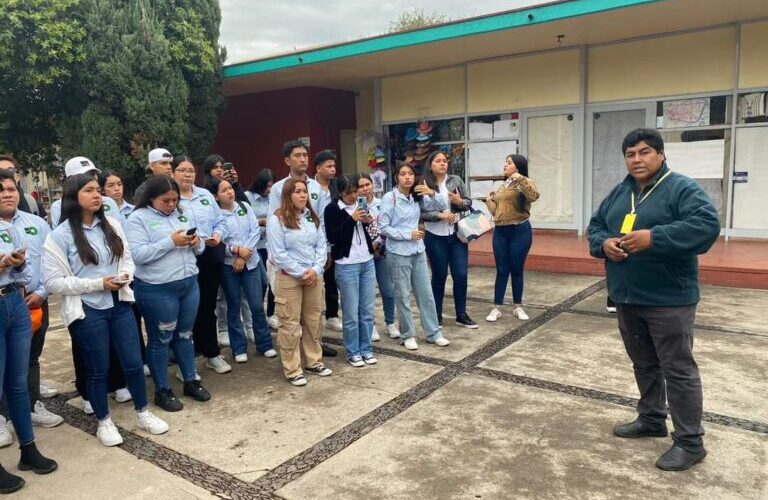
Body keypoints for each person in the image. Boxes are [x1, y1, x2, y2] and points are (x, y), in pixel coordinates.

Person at [587, 128, 720, 471]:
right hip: (627, 295)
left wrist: (654, 238)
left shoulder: (681, 188)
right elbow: (597, 225)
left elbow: (706, 226)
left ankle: (690, 442)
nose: (637, 159)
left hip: (668, 298)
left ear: (660, 155)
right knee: (643, 362)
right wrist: (604, 245)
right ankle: (651, 418)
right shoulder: (621, 192)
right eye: (630, 154)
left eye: (644, 152)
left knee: (678, 369)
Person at [42, 173, 169, 446]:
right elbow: (52, 281)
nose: (97, 195)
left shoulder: (111, 224)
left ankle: (143, 413)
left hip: (119, 303)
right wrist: (97, 283)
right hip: (88, 310)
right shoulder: (60, 235)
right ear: (73, 197)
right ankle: (104, 421)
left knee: (134, 364)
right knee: (97, 369)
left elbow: (127, 257)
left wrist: (124, 275)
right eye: (89, 190)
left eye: (98, 190)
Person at [125, 176, 211, 412]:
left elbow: (201, 247)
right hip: (157, 287)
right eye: (166, 201)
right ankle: (162, 389)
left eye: (175, 200)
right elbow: (137, 255)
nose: (172, 204)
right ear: (152, 198)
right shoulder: (138, 219)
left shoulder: (182, 213)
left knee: (185, 334)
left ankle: (191, 380)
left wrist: (195, 243)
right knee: (161, 338)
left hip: (189, 283)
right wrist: (170, 242)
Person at [52, 158, 129, 413]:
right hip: (84, 290)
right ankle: (88, 391)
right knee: (86, 346)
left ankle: (117, 383)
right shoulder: (58, 210)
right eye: (86, 181)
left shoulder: (106, 205)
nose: (94, 188)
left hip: (113, 286)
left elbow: (118, 239)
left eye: (95, 180)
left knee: (116, 340)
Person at [0, 169, 63, 432]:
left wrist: (41, 292)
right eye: (0, 191)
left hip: (33, 299)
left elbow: (51, 262)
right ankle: (3, 418)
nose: (6, 195)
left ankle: (32, 405)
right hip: (7, 300)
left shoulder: (36, 223)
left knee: (30, 358)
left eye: (11, 189)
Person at [0, 205, 57, 494]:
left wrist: (19, 264)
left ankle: (28, 448)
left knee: (18, 384)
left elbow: (26, 274)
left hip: (14, 302)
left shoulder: (8, 228)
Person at [268, 140, 336, 357]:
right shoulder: (279, 188)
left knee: (313, 312)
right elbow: (274, 219)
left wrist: (325, 252)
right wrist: (277, 259)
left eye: (305, 155)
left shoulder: (317, 188)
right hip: (287, 259)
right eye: (297, 155)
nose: (303, 159)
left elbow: (322, 221)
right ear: (287, 160)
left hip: (313, 255)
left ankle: (314, 350)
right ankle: (292, 356)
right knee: (290, 315)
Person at [267, 178, 332, 386]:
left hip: (313, 276)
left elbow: (321, 247)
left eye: (304, 191)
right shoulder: (276, 221)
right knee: (290, 324)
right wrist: (301, 272)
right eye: (297, 192)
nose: (303, 195)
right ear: (287, 195)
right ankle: (293, 368)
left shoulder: (311, 218)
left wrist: (315, 269)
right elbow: (279, 254)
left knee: (313, 320)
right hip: (289, 278)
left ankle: (314, 361)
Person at [378, 163, 450, 350]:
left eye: (410, 174)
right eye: (403, 174)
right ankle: (407, 334)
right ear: (396, 178)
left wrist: (431, 192)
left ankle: (433, 332)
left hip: (418, 251)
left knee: (425, 294)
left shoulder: (417, 197)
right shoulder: (389, 198)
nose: (407, 177)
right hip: (398, 252)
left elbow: (443, 205)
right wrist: (407, 234)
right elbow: (383, 228)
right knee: (403, 295)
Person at [172, 155, 231, 376]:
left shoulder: (205, 195)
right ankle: (184, 363)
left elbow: (221, 221)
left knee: (207, 308)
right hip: (182, 258)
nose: (188, 174)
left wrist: (218, 234)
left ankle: (212, 354)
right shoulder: (170, 198)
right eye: (182, 170)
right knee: (184, 312)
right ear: (172, 173)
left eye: (190, 170)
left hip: (208, 256)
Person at [207, 176, 276, 362]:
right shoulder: (215, 217)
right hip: (229, 266)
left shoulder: (244, 207)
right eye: (224, 190)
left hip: (250, 262)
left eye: (230, 188)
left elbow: (255, 231)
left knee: (256, 305)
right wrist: (235, 253)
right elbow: (219, 242)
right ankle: (238, 348)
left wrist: (244, 255)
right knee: (233, 305)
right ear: (215, 196)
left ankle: (265, 344)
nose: (230, 192)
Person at [100, 170, 149, 378]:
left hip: (133, 271)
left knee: (136, 319)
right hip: (112, 275)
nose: (117, 188)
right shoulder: (101, 213)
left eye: (119, 184)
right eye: (111, 185)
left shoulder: (133, 210)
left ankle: (142, 358)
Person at [324, 175, 377, 367]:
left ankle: (366, 349)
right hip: (347, 264)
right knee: (351, 311)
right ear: (340, 193)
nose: (354, 196)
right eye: (349, 193)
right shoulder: (332, 209)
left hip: (367, 261)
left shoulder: (361, 204)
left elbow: (371, 232)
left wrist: (368, 220)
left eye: (356, 191)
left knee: (367, 310)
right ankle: (353, 351)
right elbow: (333, 236)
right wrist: (351, 219)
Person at [420, 151, 476, 329]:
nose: (443, 164)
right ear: (431, 165)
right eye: (438, 161)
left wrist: (459, 201)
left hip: (457, 235)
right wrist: (439, 215)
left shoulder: (456, 180)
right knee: (439, 276)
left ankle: (461, 314)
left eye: (445, 161)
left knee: (461, 275)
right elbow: (420, 213)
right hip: (435, 237)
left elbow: (468, 203)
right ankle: (436, 314)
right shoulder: (423, 184)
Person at [485, 154, 539, 322]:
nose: (505, 165)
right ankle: (497, 308)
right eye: (505, 162)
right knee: (502, 270)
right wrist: (489, 202)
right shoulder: (503, 186)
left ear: (518, 166)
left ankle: (518, 307)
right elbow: (497, 212)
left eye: (509, 163)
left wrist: (519, 178)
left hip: (519, 230)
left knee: (516, 269)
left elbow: (534, 196)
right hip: (501, 231)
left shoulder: (524, 183)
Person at [354, 172, 399, 340]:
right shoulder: (355, 207)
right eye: (361, 186)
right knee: (367, 293)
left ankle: (390, 323)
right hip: (363, 255)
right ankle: (370, 325)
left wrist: (378, 243)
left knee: (388, 290)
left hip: (381, 252)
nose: (365, 189)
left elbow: (388, 226)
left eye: (367, 184)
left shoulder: (383, 203)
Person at [313, 150, 342, 334]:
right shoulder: (308, 187)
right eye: (328, 166)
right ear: (318, 168)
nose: (333, 169)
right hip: (313, 240)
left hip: (334, 239)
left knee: (332, 280)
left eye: (334, 166)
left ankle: (332, 315)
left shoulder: (337, 186)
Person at [49, 157, 123, 227]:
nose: (91, 178)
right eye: (85, 174)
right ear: (70, 179)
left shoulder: (109, 202)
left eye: (93, 174)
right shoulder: (58, 206)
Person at [246, 169, 277, 330]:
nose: (269, 189)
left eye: (272, 186)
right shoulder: (249, 197)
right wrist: (261, 222)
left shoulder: (273, 198)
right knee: (261, 282)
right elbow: (246, 222)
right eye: (267, 186)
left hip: (270, 244)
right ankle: (254, 317)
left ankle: (271, 314)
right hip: (255, 245)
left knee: (273, 280)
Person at [0, 155, 47, 220]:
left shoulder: (31, 203)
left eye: (10, 170)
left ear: (17, 177)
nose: (6, 175)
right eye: (1, 171)